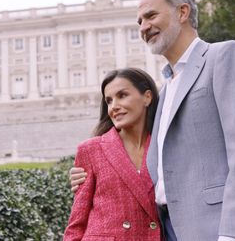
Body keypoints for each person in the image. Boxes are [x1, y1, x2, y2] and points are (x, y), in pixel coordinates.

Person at [70, 0, 235, 241]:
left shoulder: (223, 56)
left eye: (151, 15)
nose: (143, 27)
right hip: (169, 231)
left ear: (183, 12)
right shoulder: (164, 92)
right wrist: (87, 173)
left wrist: (234, 236)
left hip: (220, 231)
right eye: (140, 21)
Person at [63, 68, 162, 241]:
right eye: (109, 100)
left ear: (147, 97)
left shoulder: (166, 146)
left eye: (122, 95)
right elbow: (77, 222)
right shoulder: (91, 150)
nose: (114, 106)